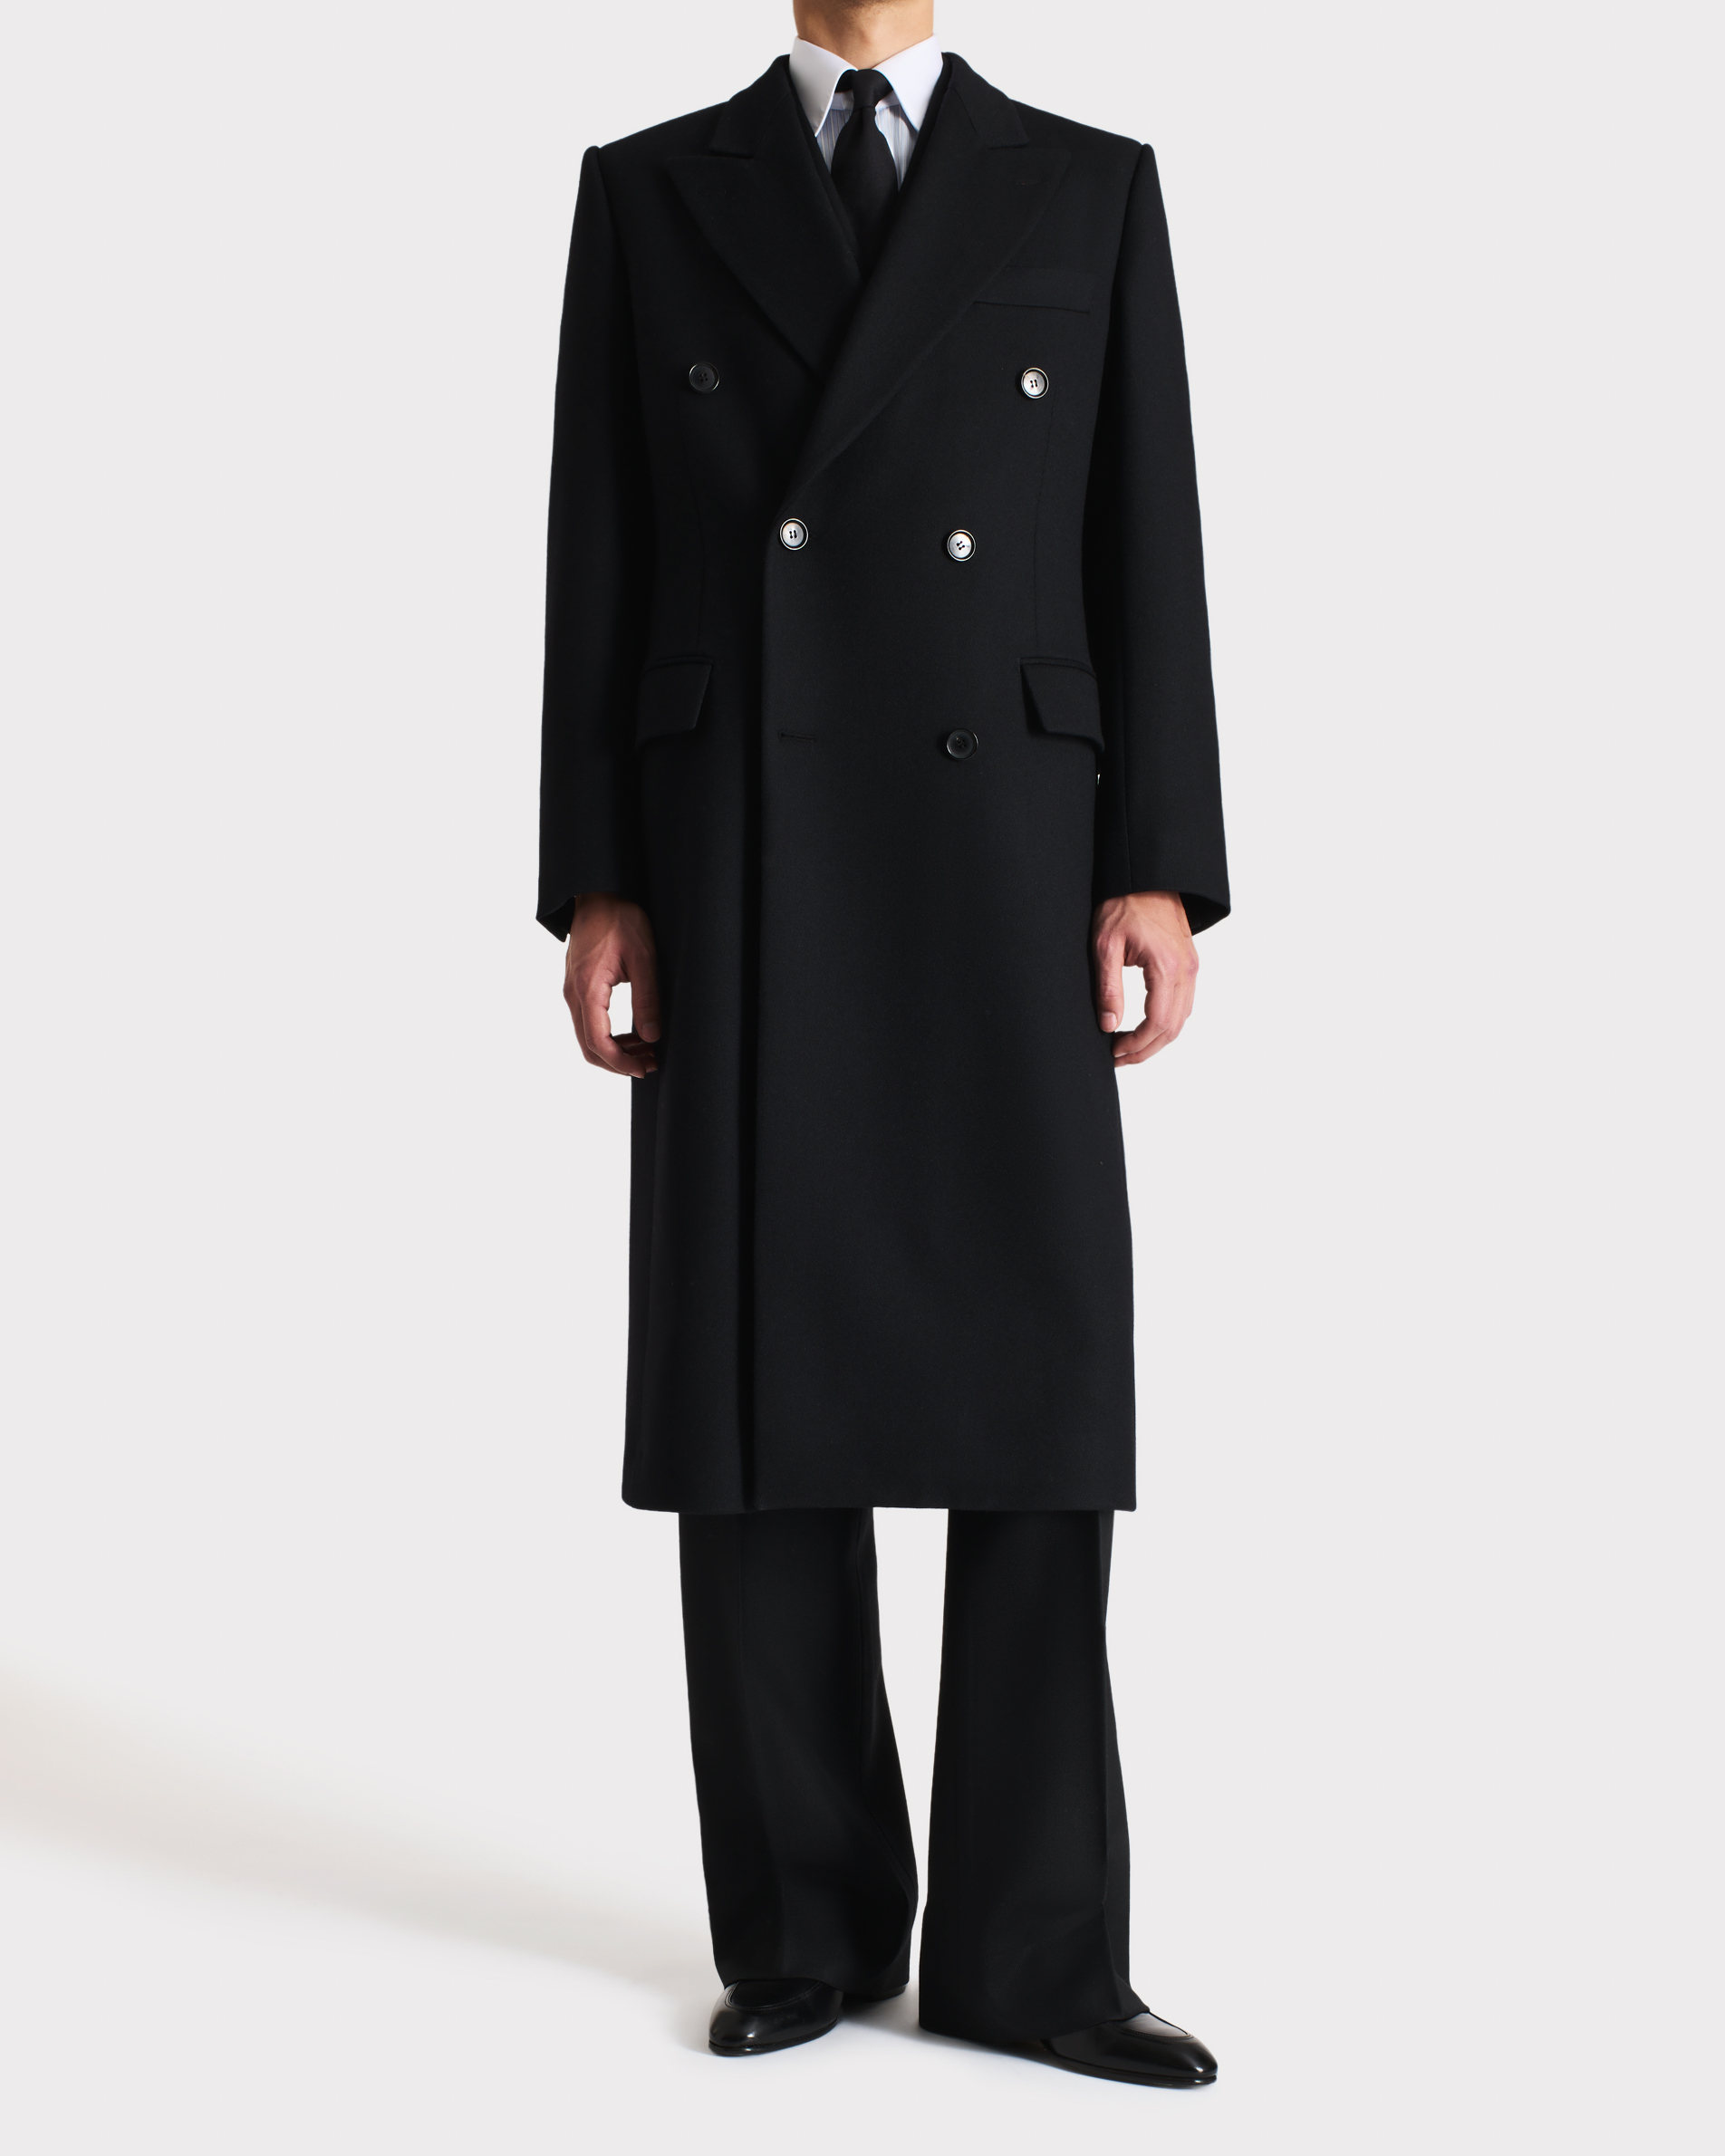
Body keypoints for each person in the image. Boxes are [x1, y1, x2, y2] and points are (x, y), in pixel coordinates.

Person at [537, 0, 1229, 2088]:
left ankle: (1037, 1952)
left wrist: (1160, 859)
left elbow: (1142, 538)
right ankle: (805, 1925)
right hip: (740, 845)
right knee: (759, 1394)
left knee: (1036, 1389)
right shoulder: (652, 192)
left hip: (1005, 846)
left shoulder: (1086, 187)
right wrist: (596, 876)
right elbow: (597, 551)